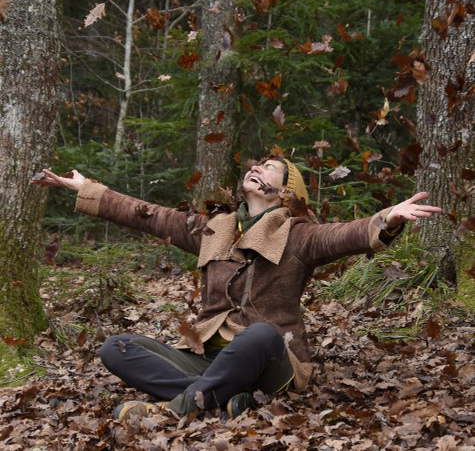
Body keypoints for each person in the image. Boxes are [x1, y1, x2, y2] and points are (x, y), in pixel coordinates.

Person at [32, 157, 442, 420]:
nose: (256, 167)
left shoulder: (297, 234)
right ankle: (224, 400)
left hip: (270, 362)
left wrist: (388, 218)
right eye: (256, 163)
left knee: (260, 334)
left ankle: (174, 410)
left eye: (269, 167)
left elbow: (343, 236)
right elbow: (149, 216)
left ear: (285, 191)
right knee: (115, 347)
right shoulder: (215, 227)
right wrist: (84, 189)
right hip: (209, 358)